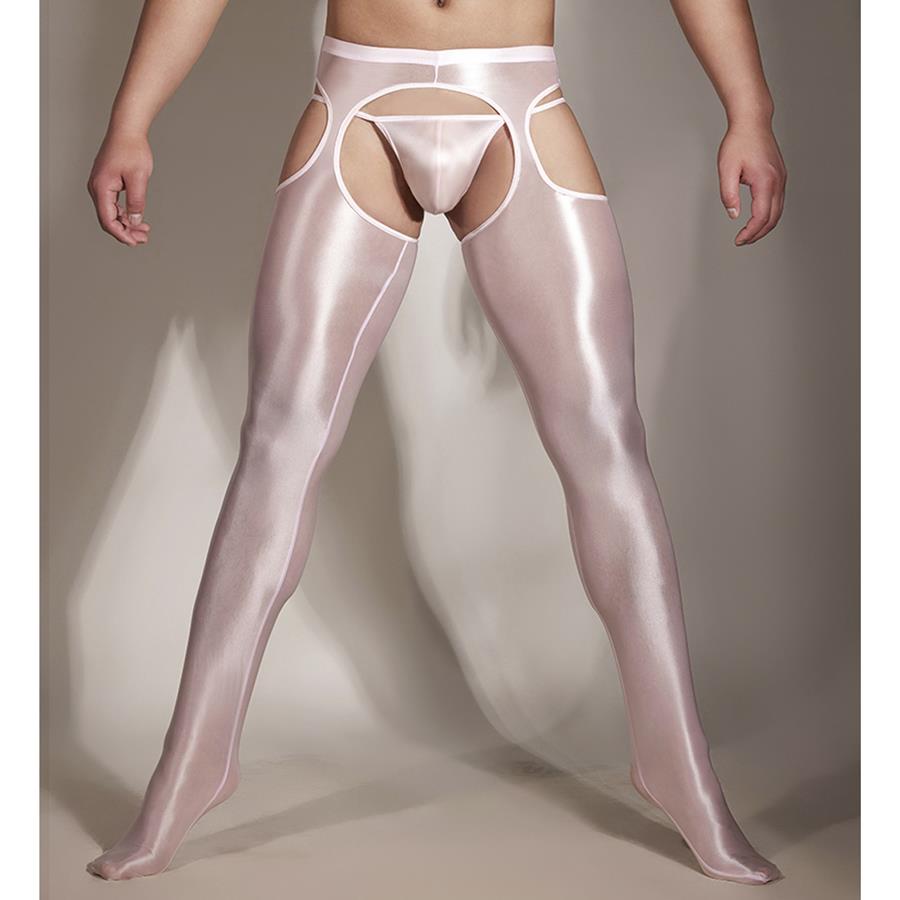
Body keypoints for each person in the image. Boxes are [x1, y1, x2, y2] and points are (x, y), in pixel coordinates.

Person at [85, 0, 787, 884]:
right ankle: (188, 769)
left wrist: (749, 109)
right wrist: (131, 119)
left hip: (518, 101)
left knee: (606, 441)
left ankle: (681, 769)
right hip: (356, 105)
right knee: (279, 442)